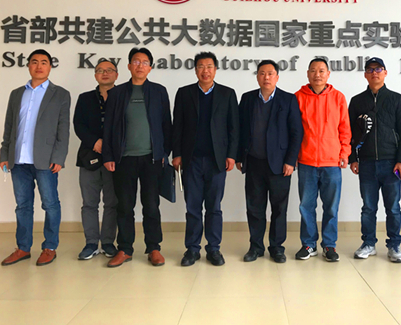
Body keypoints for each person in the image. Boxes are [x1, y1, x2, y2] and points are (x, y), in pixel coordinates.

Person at [0, 49, 70, 266]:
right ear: (28, 65)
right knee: (23, 206)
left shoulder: (60, 94)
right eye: (35, 62)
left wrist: (59, 157)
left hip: (46, 160)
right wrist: (4, 153)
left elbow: (63, 129)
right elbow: (9, 126)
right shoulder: (16, 94)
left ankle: (50, 247)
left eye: (44, 62)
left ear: (50, 66)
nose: (39, 66)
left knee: (50, 204)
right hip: (18, 160)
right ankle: (23, 248)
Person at [102, 48, 172, 268]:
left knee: (151, 205)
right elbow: (109, 127)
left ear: (150, 67)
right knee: (124, 206)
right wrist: (108, 155)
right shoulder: (117, 93)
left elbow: (166, 125)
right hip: (123, 159)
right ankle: (125, 249)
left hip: (152, 159)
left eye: (145, 62)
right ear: (129, 66)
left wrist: (164, 153)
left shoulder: (159, 92)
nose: (140, 65)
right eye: (136, 61)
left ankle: (154, 248)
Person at [172, 52, 239, 267]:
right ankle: (192, 249)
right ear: (195, 70)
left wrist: (231, 155)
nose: (205, 71)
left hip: (217, 161)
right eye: (201, 66)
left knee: (214, 207)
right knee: (193, 207)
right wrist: (177, 154)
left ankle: (213, 248)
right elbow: (177, 126)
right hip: (191, 160)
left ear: (215, 69)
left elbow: (234, 128)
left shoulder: (227, 94)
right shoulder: (184, 93)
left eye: (209, 66)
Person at [237, 60, 303, 264]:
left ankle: (277, 247)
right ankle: (256, 247)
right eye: (262, 73)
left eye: (270, 73)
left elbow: (297, 132)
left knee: (279, 209)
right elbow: (239, 129)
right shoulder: (247, 99)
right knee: (254, 208)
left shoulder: (288, 99)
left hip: (280, 165)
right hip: (254, 162)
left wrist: (290, 160)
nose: (266, 77)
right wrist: (239, 156)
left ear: (277, 77)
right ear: (257, 76)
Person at [348, 57, 401, 263]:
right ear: (365, 75)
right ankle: (368, 243)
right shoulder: (357, 101)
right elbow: (350, 133)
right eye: (370, 69)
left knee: (393, 207)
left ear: (385, 73)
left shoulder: (397, 99)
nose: (374, 73)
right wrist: (353, 158)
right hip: (366, 163)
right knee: (368, 207)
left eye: (378, 69)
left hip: (391, 163)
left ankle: (394, 246)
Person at [294, 58, 351, 262]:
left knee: (331, 207)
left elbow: (344, 128)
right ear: (307, 74)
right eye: (313, 70)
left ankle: (329, 245)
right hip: (306, 161)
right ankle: (308, 244)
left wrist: (344, 153)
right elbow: (293, 131)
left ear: (328, 74)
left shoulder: (338, 97)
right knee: (306, 206)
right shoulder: (298, 98)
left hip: (332, 162)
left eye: (321, 71)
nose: (317, 74)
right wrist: (293, 157)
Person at [73, 60, 119, 260]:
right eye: (100, 70)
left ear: (116, 74)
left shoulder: (123, 96)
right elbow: (78, 124)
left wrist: (109, 146)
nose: (105, 73)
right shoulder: (85, 98)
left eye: (109, 70)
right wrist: (94, 142)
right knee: (89, 203)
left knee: (112, 203)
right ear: (95, 75)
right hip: (89, 157)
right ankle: (91, 243)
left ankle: (108, 242)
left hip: (115, 159)